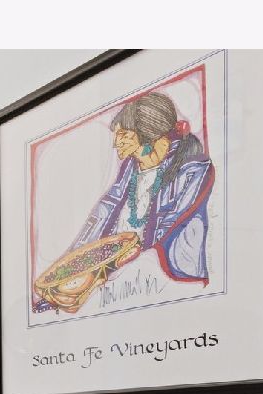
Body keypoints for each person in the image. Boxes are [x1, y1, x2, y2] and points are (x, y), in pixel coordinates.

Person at [66, 91, 215, 287]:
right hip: (116, 282)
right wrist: (71, 268)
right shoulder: (129, 170)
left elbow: (170, 231)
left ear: (148, 134)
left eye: (123, 135)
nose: (115, 143)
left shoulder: (192, 171)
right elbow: (102, 215)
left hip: (165, 282)